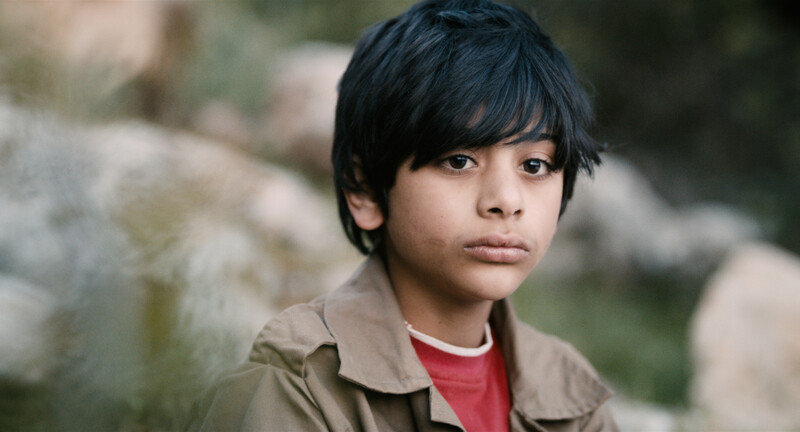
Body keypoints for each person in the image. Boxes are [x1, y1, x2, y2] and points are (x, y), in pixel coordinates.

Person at [185, 0, 617, 430]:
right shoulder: (296, 389)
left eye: (535, 166)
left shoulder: (570, 394)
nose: (506, 200)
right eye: (459, 161)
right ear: (366, 189)